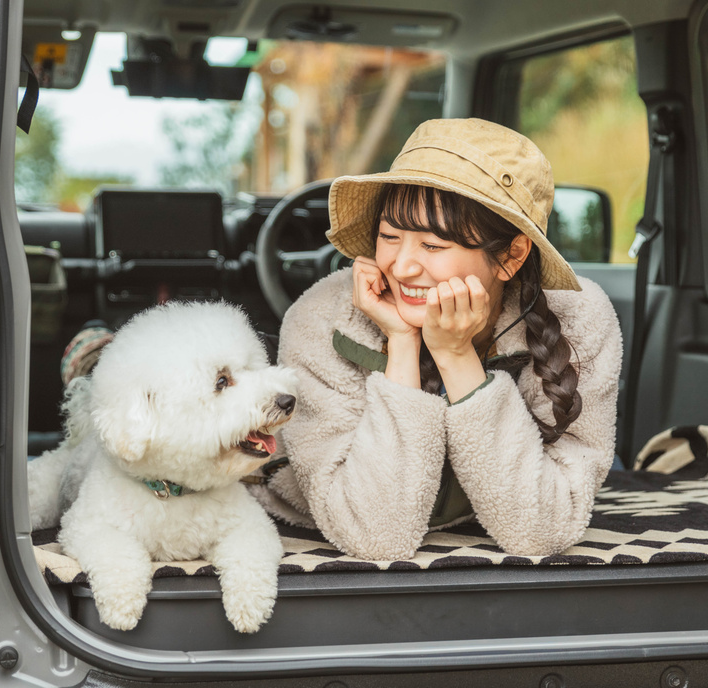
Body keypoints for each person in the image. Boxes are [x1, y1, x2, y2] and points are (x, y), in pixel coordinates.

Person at [249, 118, 623, 561]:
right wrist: (402, 342)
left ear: (511, 256)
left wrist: (456, 355)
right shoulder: (323, 319)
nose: (402, 266)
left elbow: (540, 532)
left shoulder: (579, 319)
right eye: (389, 236)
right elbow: (376, 537)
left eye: (432, 246)